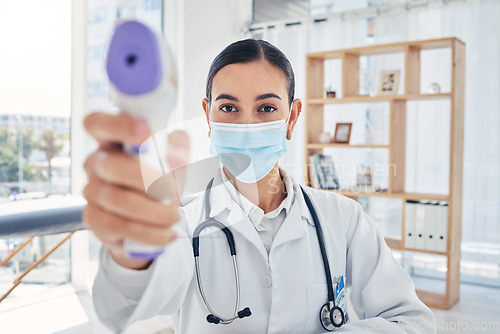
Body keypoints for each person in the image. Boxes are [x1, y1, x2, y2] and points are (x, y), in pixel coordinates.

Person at [83, 39, 436, 333]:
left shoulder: (344, 218)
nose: (248, 124)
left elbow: (413, 322)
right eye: (229, 107)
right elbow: (119, 309)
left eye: (266, 108)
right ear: (208, 115)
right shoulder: (182, 224)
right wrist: (133, 254)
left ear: (292, 117)